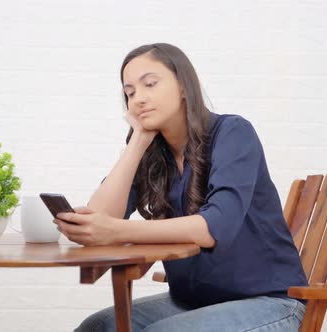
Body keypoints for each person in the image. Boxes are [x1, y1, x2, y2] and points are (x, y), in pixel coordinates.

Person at [54, 43, 308, 332]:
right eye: (130, 92)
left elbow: (214, 227)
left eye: (150, 84)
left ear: (184, 87)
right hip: (194, 301)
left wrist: (113, 230)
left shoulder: (233, 133)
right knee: (97, 328)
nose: (138, 99)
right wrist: (138, 140)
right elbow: (99, 215)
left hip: (271, 302)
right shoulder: (152, 153)